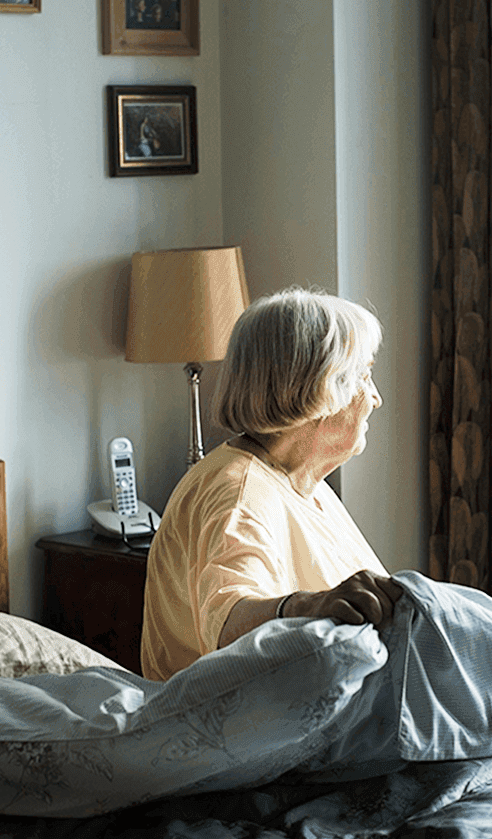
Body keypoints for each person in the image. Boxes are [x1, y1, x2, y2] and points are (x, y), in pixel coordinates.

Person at [140, 287, 403, 681]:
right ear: (321, 388)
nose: (375, 398)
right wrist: (310, 607)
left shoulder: (303, 486)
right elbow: (229, 622)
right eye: (364, 376)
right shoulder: (239, 491)